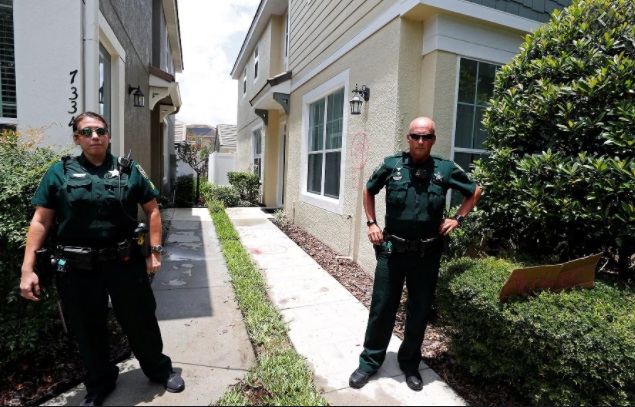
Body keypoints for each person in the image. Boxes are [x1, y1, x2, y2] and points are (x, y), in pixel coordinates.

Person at [19, 112, 184, 406]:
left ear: (108, 135)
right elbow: (41, 221)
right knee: (87, 327)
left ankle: (159, 369)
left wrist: (155, 253)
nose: (94, 136)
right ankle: (100, 382)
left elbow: (153, 210)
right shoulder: (58, 172)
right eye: (86, 132)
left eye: (100, 131)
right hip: (77, 269)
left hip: (124, 262)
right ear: (76, 138)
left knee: (140, 320)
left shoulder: (129, 170)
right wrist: (27, 267)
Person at [349, 116, 482, 391]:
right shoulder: (391, 165)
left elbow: (474, 191)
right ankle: (369, 362)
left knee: (419, 311)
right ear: (408, 138)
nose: (421, 141)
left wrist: (458, 217)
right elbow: (368, 190)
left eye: (427, 136)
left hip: (427, 253)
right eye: (416, 136)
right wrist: (372, 223)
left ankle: (409, 363)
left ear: (433, 140)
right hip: (391, 251)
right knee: (382, 308)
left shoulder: (445, 168)